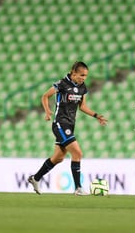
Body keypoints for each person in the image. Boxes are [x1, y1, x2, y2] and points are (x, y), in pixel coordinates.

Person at [28, 61, 107, 195]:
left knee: (58, 157)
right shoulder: (62, 84)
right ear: (73, 73)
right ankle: (78, 188)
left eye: (86, 76)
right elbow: (45, 96)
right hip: (60, 123)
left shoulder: (82, 87)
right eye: (81, 75)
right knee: (77, 153)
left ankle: (35, 178)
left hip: (70, 124)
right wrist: (47, 111)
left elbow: (82, 106)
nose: (83, 78)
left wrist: (96, 115)